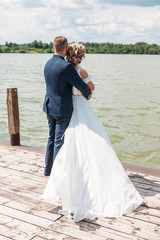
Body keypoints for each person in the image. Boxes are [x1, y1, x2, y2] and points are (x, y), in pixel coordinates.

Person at [41, 43, 143, 222]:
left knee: (64, 143)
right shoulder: (78, 71)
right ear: (82, 56)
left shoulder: (54, 64)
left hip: (59, 107)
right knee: (85, 142)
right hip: (76, 110)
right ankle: (61, 174)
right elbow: (89, 91)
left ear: (67, 53)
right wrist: (88, 92)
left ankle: (53, 172)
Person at [43, 36, 91, 176]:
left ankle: (48, 170)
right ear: (66, 48)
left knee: (51, 138)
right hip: (62, 109)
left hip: (49, 106)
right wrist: (88, 93)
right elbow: (82, 86)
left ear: (53, 48)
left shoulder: (47, 63)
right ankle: (57, 175)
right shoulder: (67, 67)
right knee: (59, 141)